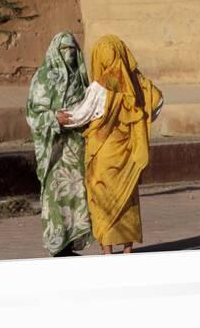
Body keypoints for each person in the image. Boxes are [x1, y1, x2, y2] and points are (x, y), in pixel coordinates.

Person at [58, 34, 163, 255]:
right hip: (128, 153)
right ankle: (127, 250)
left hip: (103, 154)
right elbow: (158, 102)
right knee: (127, 200)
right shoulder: (139, 83)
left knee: (102, 201)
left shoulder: (100, 87)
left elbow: (81, 116)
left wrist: (60, 117)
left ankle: (107, 251)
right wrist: (143, 120)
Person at [26, 32, 93, 257]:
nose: (70, 54)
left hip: (75, 148)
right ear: (56, 51)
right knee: (56, 196)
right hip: (54, 151)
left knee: (76, 195)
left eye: (73, 49)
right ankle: (57, 246)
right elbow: (33, 114)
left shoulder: (80, 77)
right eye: (65, 50)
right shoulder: (43, 78)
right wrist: (55, 119)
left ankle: (70, 244)